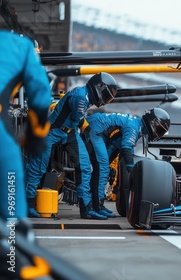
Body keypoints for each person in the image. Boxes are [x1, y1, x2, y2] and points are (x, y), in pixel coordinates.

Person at [25, 72, 117, 219]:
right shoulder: (80, 97)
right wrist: (90, 131)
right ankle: (27, 205)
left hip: (70, 133)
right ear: (98, 89)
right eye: (106, 94)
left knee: (85, 167)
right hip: (52, 131)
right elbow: (79, 119)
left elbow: (78, 121)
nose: (105, 99)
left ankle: (86, 209)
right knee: (38, 167)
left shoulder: (85, 97)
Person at [0, 31, 52, 220]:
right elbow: (41, 94)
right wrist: (36, 137)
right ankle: (14, 242)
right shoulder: (21, 47)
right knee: (11, 206)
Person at [81, 108, 170, 217]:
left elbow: (122, 148)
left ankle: (97, 204)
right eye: (159, 129)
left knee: (103, 168)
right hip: (95, 129)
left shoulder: (136, 125)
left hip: (100, 130)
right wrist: (132, 170)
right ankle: (96, 206)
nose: (158, 133)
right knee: (102, 168)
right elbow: (126, 149)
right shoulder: (134, 127)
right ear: (152, 122)